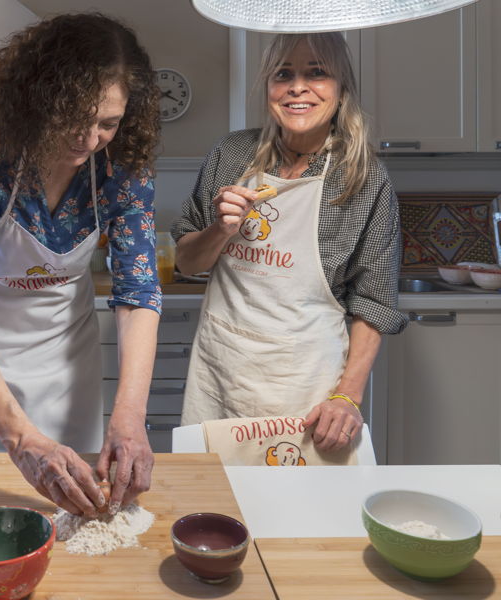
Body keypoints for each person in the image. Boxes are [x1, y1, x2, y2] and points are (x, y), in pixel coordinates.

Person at [0, 13, 162, 518]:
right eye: (74, 117)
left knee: (71, 508)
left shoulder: (123, 168)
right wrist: (21, 438)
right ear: (38, 100)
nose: (89, 139)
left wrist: (131, 416)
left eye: (107, 123)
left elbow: (138, 294)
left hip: (63, 354)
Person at [172, 33, 407, 452]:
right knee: (213, 487)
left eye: (316, 73)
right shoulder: (231, 154)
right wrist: (220, 230)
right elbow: (187, 262)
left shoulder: (364, 179)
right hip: (220, 369)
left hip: (306, 382)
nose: (298, 87)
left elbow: (374, 303)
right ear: (268, 87)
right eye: (283, 74)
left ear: (341, 88)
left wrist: (347, 397)